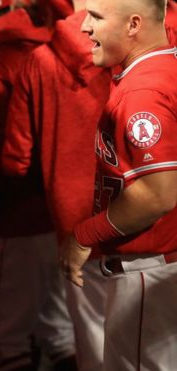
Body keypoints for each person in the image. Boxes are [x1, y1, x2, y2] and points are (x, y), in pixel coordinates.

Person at [0, 0, 77, 369]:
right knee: (61, 332)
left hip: (12, 225)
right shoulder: (57, 54)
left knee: (6, 341)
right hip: (64, 221)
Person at [61, 0, 176, 370]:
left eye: (96, 17)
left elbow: (158, 193)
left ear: (133, 25)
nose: (85, 28)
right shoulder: (168, 66)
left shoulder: (142, 91)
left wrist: (84, 236)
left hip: (152, 269)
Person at [1, 1, 110, 369]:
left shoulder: (39, 61)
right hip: (141, 215)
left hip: (73, 224)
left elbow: (16, 159)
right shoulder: (135, 50)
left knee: (94, 346)